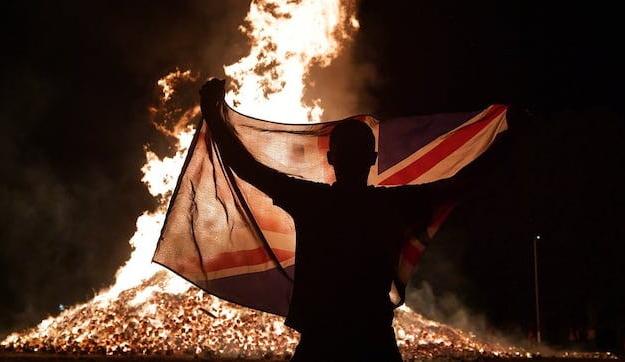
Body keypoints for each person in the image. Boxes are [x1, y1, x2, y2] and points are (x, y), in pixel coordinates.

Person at [199, 78, 506, 362]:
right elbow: (462, 181)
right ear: (372, 160)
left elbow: (246, 167)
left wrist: (213, 115)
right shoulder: (393, 204)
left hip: (322, 339)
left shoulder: (312, 200)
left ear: (330, 159)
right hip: (373, 339)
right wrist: (509, 137)